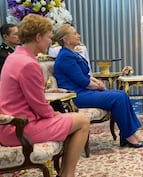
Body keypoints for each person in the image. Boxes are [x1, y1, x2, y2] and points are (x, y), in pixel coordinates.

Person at [0, 14, 90, 177]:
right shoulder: (28, 63)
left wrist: (52, 114)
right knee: (83, 120)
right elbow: (39, 105)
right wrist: (52, 114)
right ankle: (67, 174)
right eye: (48, 37)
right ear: (38, 37)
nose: (50, 41)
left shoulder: (14, 57)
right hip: (20, 128)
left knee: (69, 117)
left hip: (9, 125)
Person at [52, 24, 143, 148]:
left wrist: (96, 81)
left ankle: (129, 134)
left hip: (84, 91)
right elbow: (82, 81)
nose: (78, 35)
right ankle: (128, 136)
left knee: (122, 94)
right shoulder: (65, 56)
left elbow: (85, 74)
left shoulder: (72, 53)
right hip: (76, 95)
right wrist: (98, 86)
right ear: (65, 39)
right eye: (75, 33)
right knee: (118, 97)